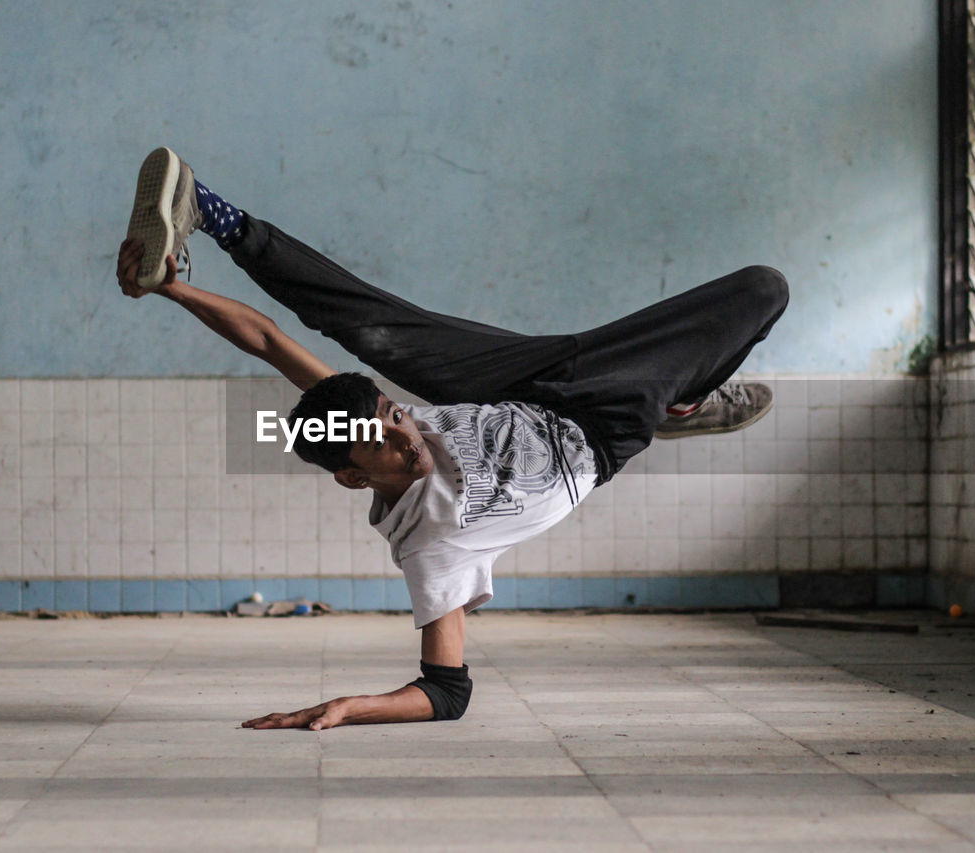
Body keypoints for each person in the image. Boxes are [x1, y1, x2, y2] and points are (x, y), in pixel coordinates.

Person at [116, 147, 789, 731]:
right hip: (600, 429)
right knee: (763, 290)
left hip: (529, 383)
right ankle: (678, 399)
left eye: (396, 417)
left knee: (369, 328)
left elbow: (267, 339)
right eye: (384, 443)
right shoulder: (432, 545)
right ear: (352, 475)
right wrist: (352, 706)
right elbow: (445, 692)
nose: (411, 440)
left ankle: (209, 208)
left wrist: (171, 290)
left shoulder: (373, 420)